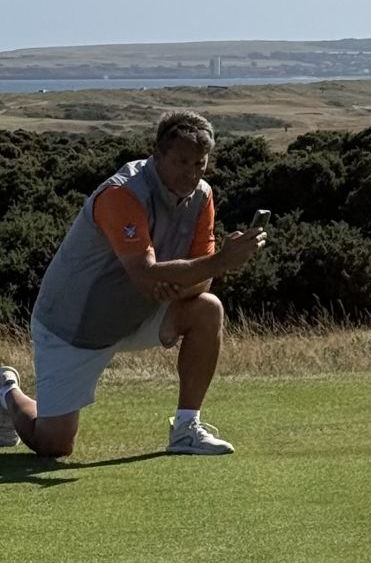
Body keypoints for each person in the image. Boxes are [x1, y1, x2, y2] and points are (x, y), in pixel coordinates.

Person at [0, 111, 266, 457]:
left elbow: (201, 285)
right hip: (71, 326)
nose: (191, 173)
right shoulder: (122, 194)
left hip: (138, 314)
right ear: (157, 154)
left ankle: (186, 428)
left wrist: (177, 281)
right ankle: (7, 391)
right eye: (181, 161)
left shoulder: (202, 196)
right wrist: (217, 262)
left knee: (207, 310)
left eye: (200, 163)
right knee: (54, 445)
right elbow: (144, 274)